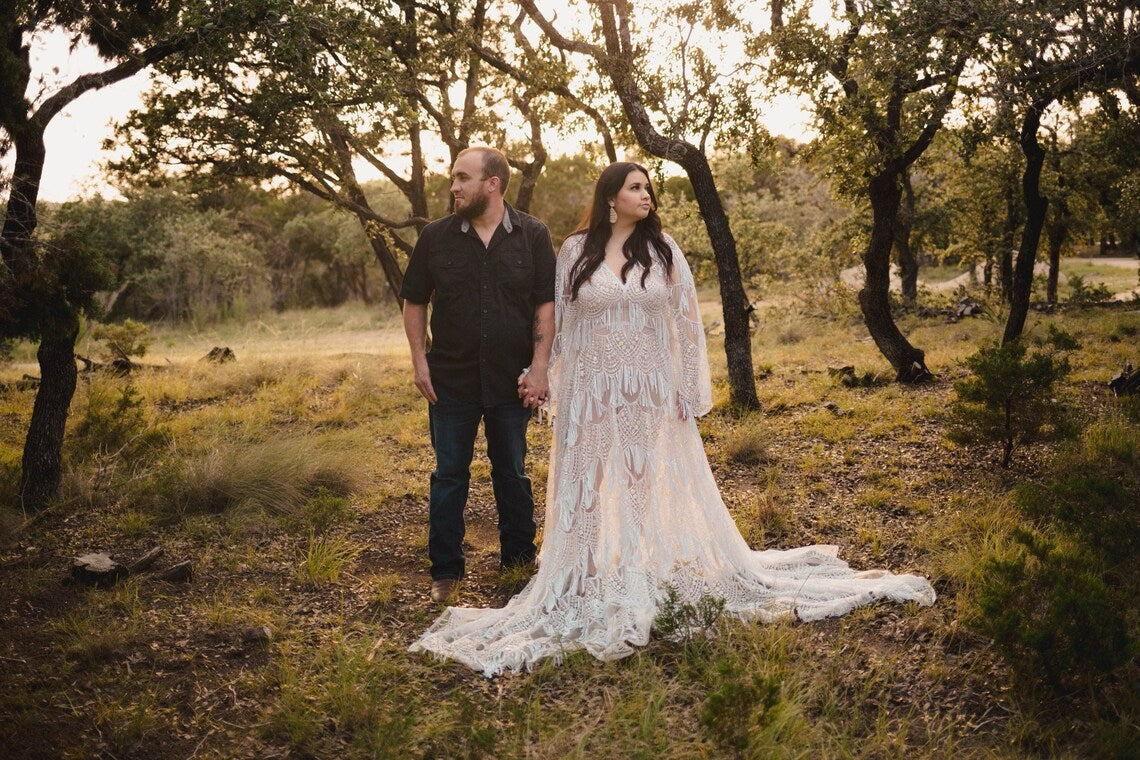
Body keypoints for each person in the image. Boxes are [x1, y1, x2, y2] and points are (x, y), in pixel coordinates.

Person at [410, 162, 935, 675]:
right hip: (592, 388)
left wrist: (687, 387)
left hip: (648, 389)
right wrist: (541, 372)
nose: (647, 195)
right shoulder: (574, 250)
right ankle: (582, 573)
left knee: (642, 478)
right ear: (611, 197)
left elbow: (686, 324)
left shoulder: (663, 251)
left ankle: (643, 571)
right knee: (585, 480)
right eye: (636, 187)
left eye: (649, 188)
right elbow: (558, 319)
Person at [400, 146, 556, 604]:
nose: (454, 187)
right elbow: (414, 300)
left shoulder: (532, 235)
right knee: (449, 475)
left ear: (493, 184)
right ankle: (445, 571)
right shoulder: (436, 237)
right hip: (450, 378)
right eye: (454, 178)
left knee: (512, 471)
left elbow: (545, 305)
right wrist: (418, 359)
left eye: (463, 178)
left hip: (514, 379)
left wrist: (541, 367)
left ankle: (518, 564)